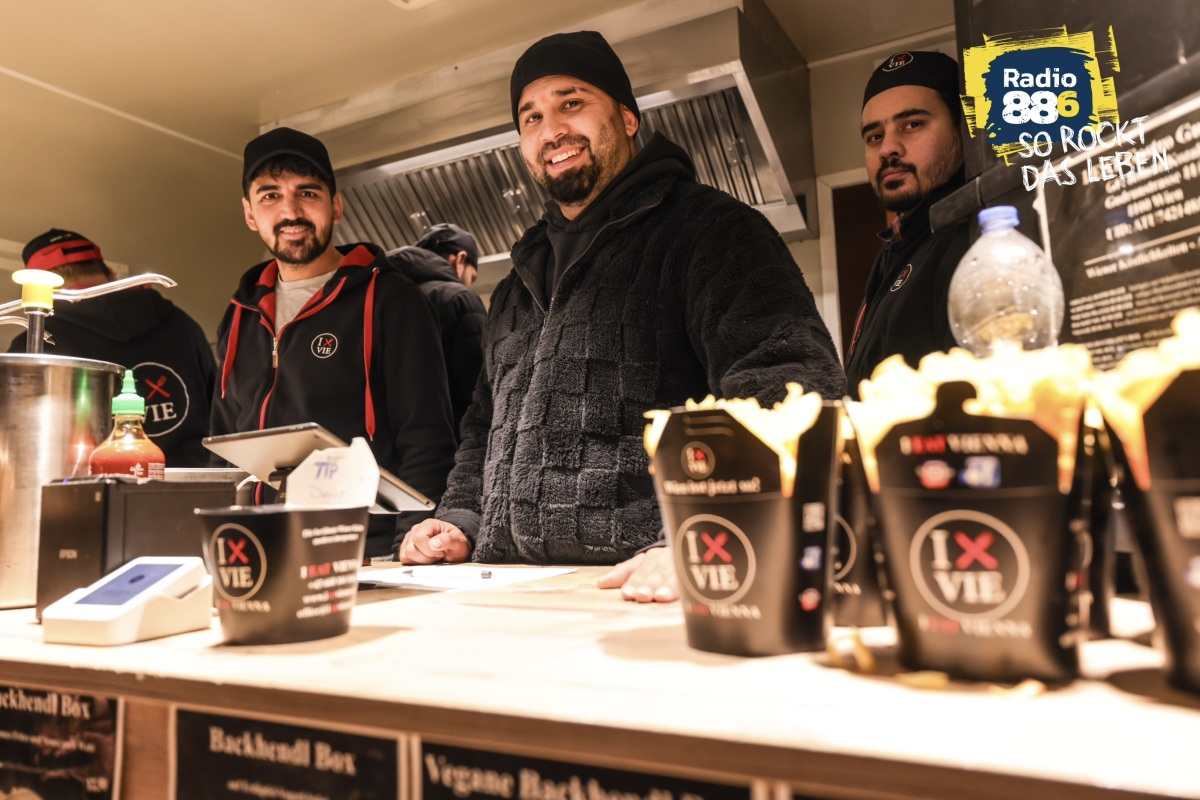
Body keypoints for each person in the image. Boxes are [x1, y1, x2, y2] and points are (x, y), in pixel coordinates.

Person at [398, 30, 845, 570]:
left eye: (571, 103)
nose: (552, 130)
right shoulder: (517, 281)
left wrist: (700, 538)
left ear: (627, 117)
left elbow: (791, 390)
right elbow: (483, 426)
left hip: (657, 577)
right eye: (531, 117)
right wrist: (460, 519)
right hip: (511, 584)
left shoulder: (714, 231)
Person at [211, 127, 458, 557]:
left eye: (307, 193)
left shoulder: (391, 298)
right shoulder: (239, 314)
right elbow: (224, 450)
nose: (291, 211)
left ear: (336, 206)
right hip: (261, 548)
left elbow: (427, 439)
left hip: (366, 550)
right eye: (270, 196)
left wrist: (409, 547)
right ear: (250, 214)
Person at [7, 229, 216, 467]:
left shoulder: (33, 345)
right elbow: (221, 415)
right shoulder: (183, 326)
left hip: (81, 488)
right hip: (194, 485)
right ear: (111, 272)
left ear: (39, 287)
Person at [843, 50, 971, 398]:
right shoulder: (896, 250)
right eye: (874, 136)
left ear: (963, 129)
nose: (888, 148)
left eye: (912, 124)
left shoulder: (975, 239)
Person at [387, 223, 487, 438]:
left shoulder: (383, 301)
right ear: (460, 260)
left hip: (399, 447)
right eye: (472, 277)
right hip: (454, 443)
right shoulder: (457, 298)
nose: (469, 284)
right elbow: (482, 389)